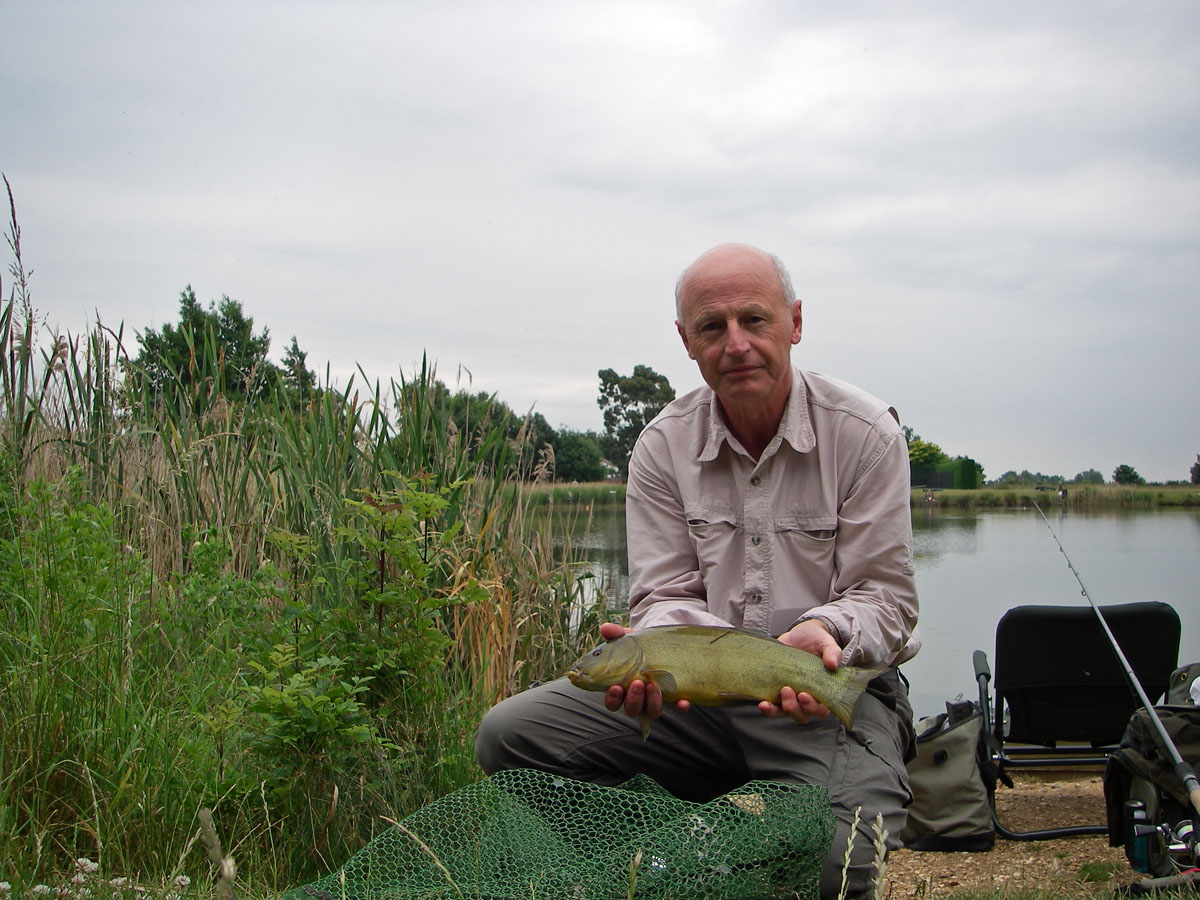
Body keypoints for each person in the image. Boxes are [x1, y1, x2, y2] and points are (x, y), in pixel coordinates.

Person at [475, 243, 919, 898]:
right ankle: (678, 860)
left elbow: (886, 598)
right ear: (687, 341)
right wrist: (652, 661)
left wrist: (826, 631)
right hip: (696, 701)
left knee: (845, 864)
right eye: (713, 328)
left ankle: (783, 833)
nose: (736, 344)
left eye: (754, 320)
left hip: (825, 688)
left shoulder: (865, 433)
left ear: (794, 323)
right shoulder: (660, 447)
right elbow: (664, 596)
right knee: (508, 737)